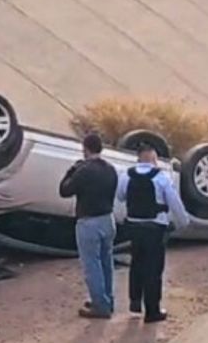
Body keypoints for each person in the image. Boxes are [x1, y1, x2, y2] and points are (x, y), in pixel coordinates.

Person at [116, 143, 190, 324]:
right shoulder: (161, 178)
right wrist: (183, 222)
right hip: (155, 228)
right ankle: (152, 311)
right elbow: (174, 203)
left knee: (136, 265)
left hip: (133, 227)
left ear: (138, 157)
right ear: (154, 158)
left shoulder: (126, 175)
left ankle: (135, 303)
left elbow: (119, 196)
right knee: (154, 269)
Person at [59, 134, 118, 319]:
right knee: (106, 262)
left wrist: (71, 170)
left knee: (91, 265)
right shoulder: (111, 169)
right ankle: (107, 299)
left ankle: (100, 305)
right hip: (108, 219)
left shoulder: (83, 171)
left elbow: (64, 190)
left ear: (86, 148)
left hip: (89, 221)